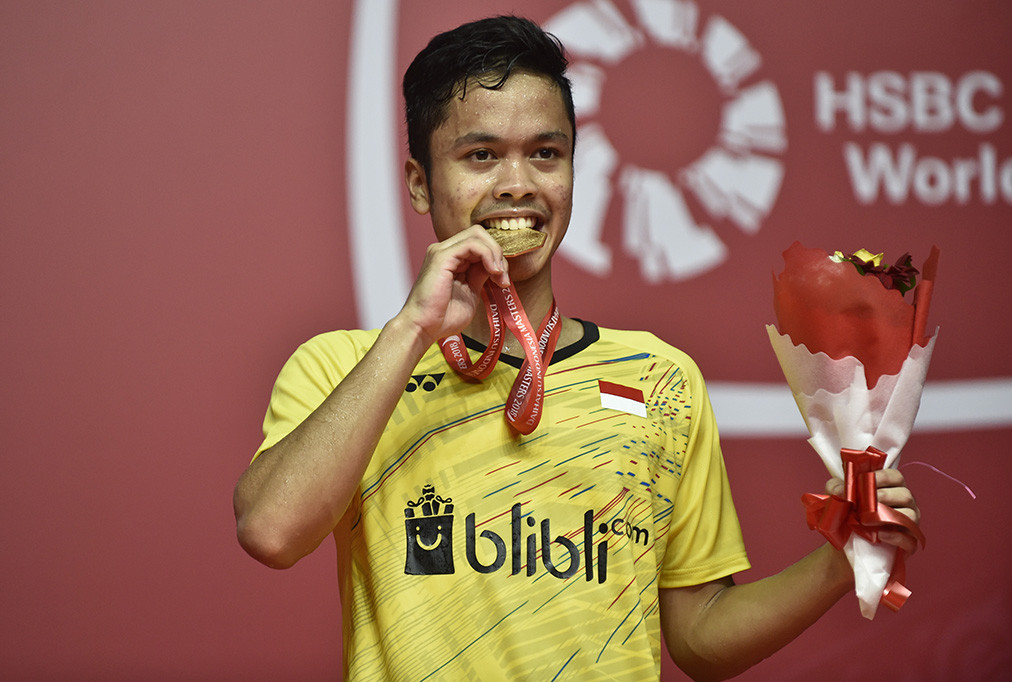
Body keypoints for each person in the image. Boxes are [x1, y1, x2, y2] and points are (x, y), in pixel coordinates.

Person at [233, 15, 920, 681]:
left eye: (545, 153)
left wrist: (838, 561)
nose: (518, 184)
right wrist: (413, 330)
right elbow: (270, 530)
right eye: (480, 155)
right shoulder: (343, 367)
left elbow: (701, 639)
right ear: (419, 183)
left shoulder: (662, 379)